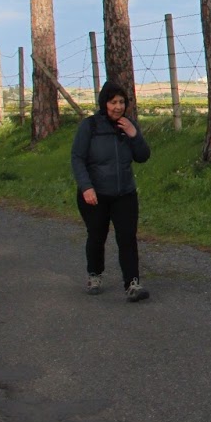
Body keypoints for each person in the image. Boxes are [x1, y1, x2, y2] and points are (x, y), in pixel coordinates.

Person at [70, 81, 152, 302]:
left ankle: (132, 283)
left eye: (122, 102)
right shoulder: (90, 126)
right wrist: (86, 187)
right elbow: (77, 158)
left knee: (127, 238)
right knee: (97, 236)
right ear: (104, 103)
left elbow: (143, 156)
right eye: (113, 102)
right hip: (95, 194)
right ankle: (94, 274)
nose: (118, 107)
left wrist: (134, 135)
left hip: (124, 193)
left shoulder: (128, 125)